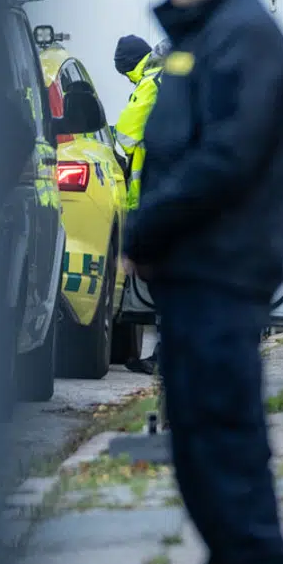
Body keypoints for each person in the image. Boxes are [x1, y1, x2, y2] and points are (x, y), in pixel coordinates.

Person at [121, 0, 283, 564]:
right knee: (198, 461)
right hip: (191, 281)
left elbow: (225, 157)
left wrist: (145, 227)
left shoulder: (244, 37)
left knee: (225, 457)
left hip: (220, 281)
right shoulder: (203, 36)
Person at [111, 34, 166, 375]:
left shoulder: (149, 83)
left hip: (153, 198)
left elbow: (126, 137)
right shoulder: (165, 77)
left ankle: (166, 356)